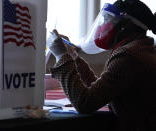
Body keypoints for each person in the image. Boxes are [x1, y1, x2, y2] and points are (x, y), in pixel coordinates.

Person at [46, 0, 156, 130]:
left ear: (125, 25)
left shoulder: (129, 55)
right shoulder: (141, 48)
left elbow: (85, 103)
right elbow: (101, 92)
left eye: (108, 20)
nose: (102, 26)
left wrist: (61, 56)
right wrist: (73, 57)